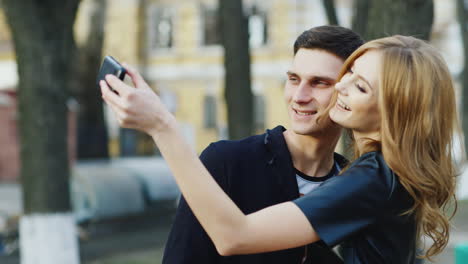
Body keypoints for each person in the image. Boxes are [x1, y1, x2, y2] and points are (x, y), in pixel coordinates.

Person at [100, 35, 460, 264]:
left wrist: (162, 126)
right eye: (348, 74)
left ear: (395, 108)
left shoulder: (373, 178)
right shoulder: (383, 177)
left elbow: (233, 236)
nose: (342, 89)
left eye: (359, 86)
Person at [159, 25, 363, 264]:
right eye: (293, 79)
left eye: (319, 83)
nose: (299, 96)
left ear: (349, 92)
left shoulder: (356, 184)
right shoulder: (227, 162)